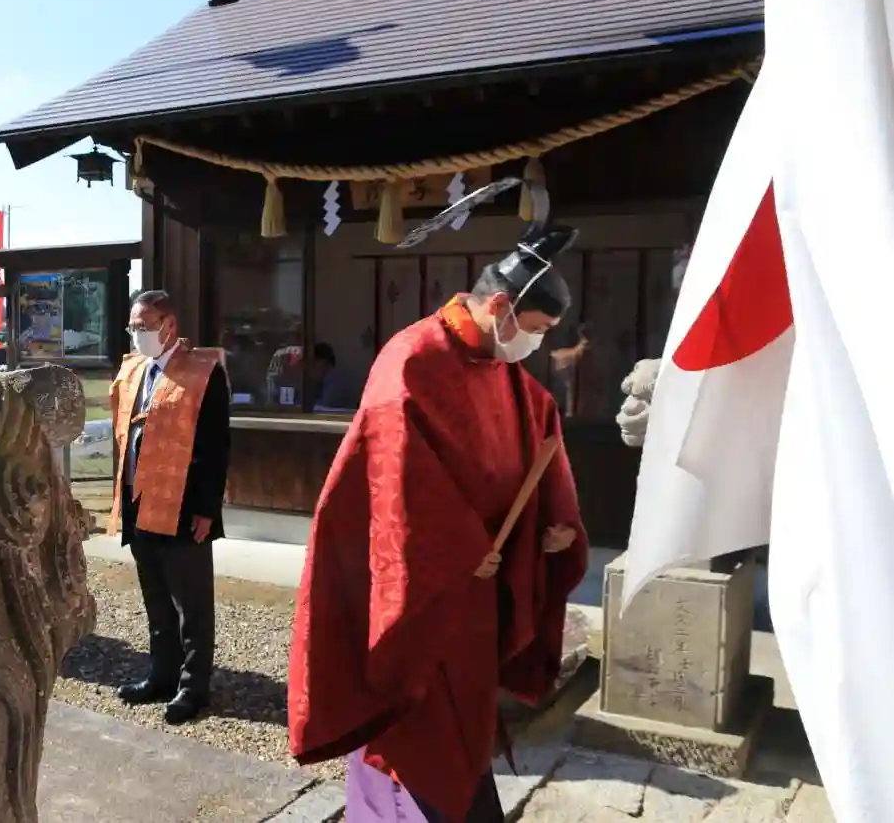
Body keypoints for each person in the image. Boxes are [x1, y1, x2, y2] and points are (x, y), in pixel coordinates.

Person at [287, 226, 590, 823]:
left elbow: (540, 439)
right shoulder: (413, 360)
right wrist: (461, 550)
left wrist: (553, 524)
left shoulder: (502, 370)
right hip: (427, 586)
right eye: (535, 328)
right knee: (419, 726)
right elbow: (395, 484)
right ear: (499, 306)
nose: (536, 343)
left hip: (480, 589)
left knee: (464, 724)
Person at [107, 289, 230, 725]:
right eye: (133, 327)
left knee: (190, 603)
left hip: (182, 504)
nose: (137, 334)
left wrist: (206, 509)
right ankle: (161, 674)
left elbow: (215, 445)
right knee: (156, 598)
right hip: (139, 500)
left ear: (169, 325)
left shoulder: (202, 372)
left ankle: (193, 687)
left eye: (144, 326)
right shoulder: (135, 369)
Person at [309, 342, 355, 411]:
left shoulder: (335, 381)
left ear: (323, 362)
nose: (311, 367)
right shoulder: (324, 380)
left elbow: (322, 407)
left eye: (314, 363)